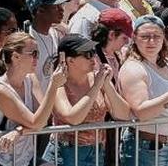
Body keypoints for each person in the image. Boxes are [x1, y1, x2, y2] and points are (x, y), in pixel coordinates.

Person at [117, 15, 168, 166]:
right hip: (149, 148)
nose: (151, 41)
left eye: (156, 36)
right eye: (145, 36)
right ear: (134, 38)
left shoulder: (166, 63)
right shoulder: (134, 68)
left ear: (164, 37)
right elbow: (142, 112)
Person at [44, 34, 131, 166]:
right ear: (70, 60)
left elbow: (123, 115)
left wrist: (107, 85)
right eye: (87, 54)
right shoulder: (59, 83)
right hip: (66, 152)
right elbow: (73, 118)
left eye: (93, 52)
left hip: (96, 151)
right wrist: (96, 86)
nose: (94, 58)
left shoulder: (98, 78)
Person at [0, 32, 65, 166]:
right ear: (15, 57)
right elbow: (36, 122)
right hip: (3, 161)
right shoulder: (1, 89)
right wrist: (53, 85)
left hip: (26, 158)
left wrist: (19, 131)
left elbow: (44, 118)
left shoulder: (30, 78)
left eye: (38, 54)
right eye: (33, 54)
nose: (37, 59)